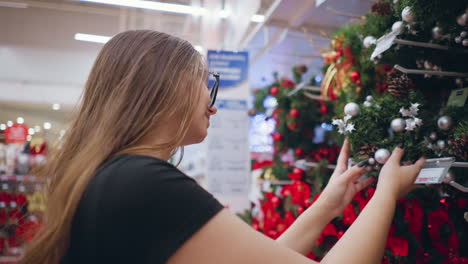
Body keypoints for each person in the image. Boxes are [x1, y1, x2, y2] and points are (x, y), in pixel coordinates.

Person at [20, 30, 425, 264]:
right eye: (204, 81)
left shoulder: (117, 177)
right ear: (166, 87)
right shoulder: (143, 183)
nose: (212, 103)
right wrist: (387, 191)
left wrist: (329, 204)